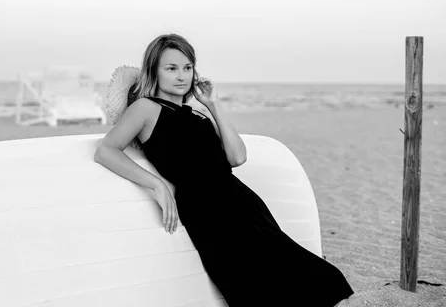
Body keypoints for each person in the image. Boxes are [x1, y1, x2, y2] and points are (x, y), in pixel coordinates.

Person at [94, 34, 354, 306]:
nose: (181, 76)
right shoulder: (145, 108)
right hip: (207, 210)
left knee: (313, 281)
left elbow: (237, 157)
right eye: (171, 68)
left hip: (243, 203)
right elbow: (106, 151)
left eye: (187, 67)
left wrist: (213, 105)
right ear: (153, 71)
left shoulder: (198, 115)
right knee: (286, 284)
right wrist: (156, 184)